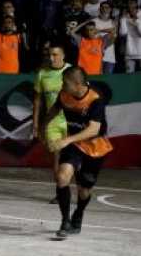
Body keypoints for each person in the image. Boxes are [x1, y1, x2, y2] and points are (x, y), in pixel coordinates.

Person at [44, 66, 113, 238]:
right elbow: (54, 109)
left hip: (94, 146)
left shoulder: (95, 100)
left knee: (84, 190)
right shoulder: (64, 95)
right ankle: (65, 221)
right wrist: (42, 126)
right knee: (62, 177)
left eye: (65, 82)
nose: (62, 85)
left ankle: (79, 214)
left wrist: (65, 140)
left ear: (77, 84)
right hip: (74, 145)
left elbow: (93, 130)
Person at [33, 44, 71, 204]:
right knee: (57, 157)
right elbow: (37, 101)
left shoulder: (72, 71)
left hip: (71, 120)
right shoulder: (42, 73)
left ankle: (76, 187)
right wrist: (35, 124)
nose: (51, 58)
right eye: (50, 54)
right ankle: (60, 193)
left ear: (63, 56)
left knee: (72, 158)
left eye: (55, 55)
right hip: (52, 122)